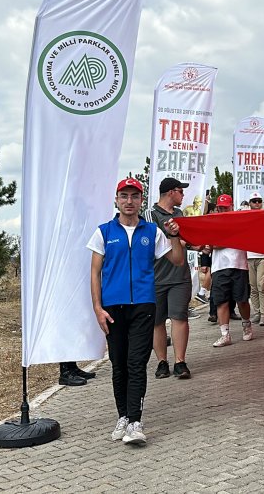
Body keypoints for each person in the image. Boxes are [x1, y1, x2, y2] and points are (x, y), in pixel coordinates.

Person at [88, 177, 185, 445]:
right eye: (124, 196)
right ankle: (123, 416)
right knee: (118, 365)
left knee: (136, 363)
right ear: (117, 200)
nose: (129, 201)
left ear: (142, 201)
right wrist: (97, 308)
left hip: (143, 305)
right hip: (112, 308)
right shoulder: (104, 232)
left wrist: (175, 236)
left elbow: (176, 260)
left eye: (135, 196)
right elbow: (95, 273)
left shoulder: (152, 232)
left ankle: (135, 422)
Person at [145, 177, 194, 380]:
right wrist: (180, 241)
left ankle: (180, 362)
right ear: (170, 192)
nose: (183, 195)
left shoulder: (180, 214)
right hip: (156, 278)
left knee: (179, 318)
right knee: (157, 322)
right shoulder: (150, 214)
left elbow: (185, 239)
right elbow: (154, 242)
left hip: (180, 276)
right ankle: (162, 362)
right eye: (180, 191)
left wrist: (195, 244)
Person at [209, 194, 253, 347]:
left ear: (232, 206)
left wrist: (218, 242)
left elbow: (235, 240)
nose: (222, 210)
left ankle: (246, 324)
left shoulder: (239, 220)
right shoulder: (212, 223)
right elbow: (210, 245)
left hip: (238, 264)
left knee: (241, 300)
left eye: (225, 207)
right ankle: (225, 334)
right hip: (219, 267)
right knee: (221, 301)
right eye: (220, 207)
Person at [245, 192, 264, 327]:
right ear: (249, 203)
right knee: (254, 287)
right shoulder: (244, 217)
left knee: (262, 286)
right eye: (254, 201)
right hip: (250, 256)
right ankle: (256, 312)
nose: (256, 203)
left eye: (259, 201)